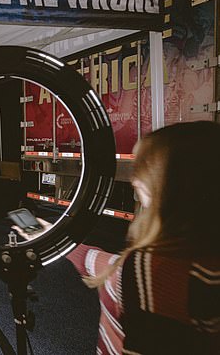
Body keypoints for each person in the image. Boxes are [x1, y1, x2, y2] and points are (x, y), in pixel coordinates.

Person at [65, 121, 220, 354]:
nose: (134, 181)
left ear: (177, 183)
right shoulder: (202, 261)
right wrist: (66, 245)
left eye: (144, 170)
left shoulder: (153, 269)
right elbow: (107, 265)